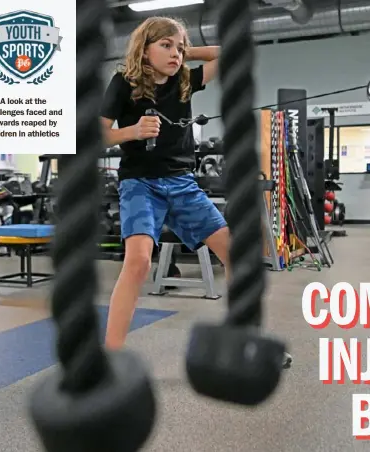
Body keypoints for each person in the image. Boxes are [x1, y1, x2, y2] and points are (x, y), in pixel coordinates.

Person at [99, 17, 229, 350]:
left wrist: (183, 51)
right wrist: (132, 132)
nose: (175, 54)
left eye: (180, 47)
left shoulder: (185, 79)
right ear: (144, 50)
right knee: (139, 262)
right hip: (140, 184)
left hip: (182, 183)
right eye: (166, 45)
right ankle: (110, 356)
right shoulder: (123, 82)